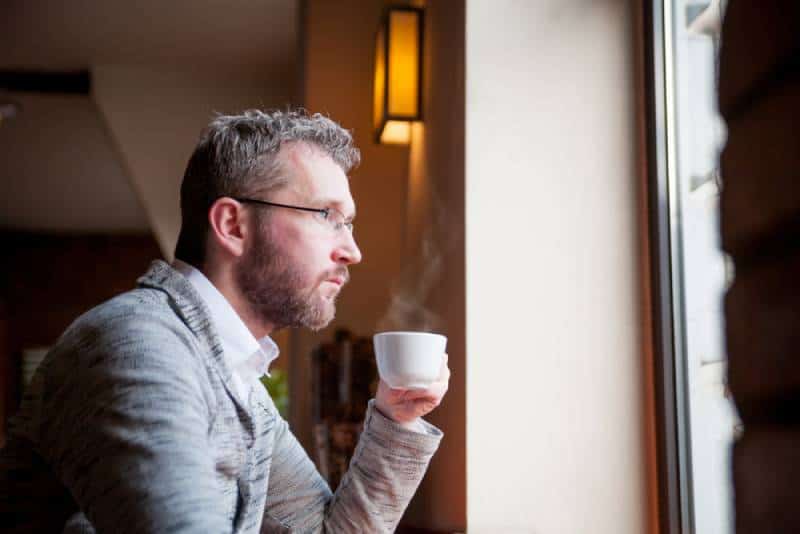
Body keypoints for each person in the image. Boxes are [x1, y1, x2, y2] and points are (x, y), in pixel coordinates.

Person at [0, 109, 450, 533]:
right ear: (233, 225)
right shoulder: (140, 350)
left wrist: (398, 417)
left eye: (348, 223)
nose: (352, 251)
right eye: (326, 216)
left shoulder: (238, 385)